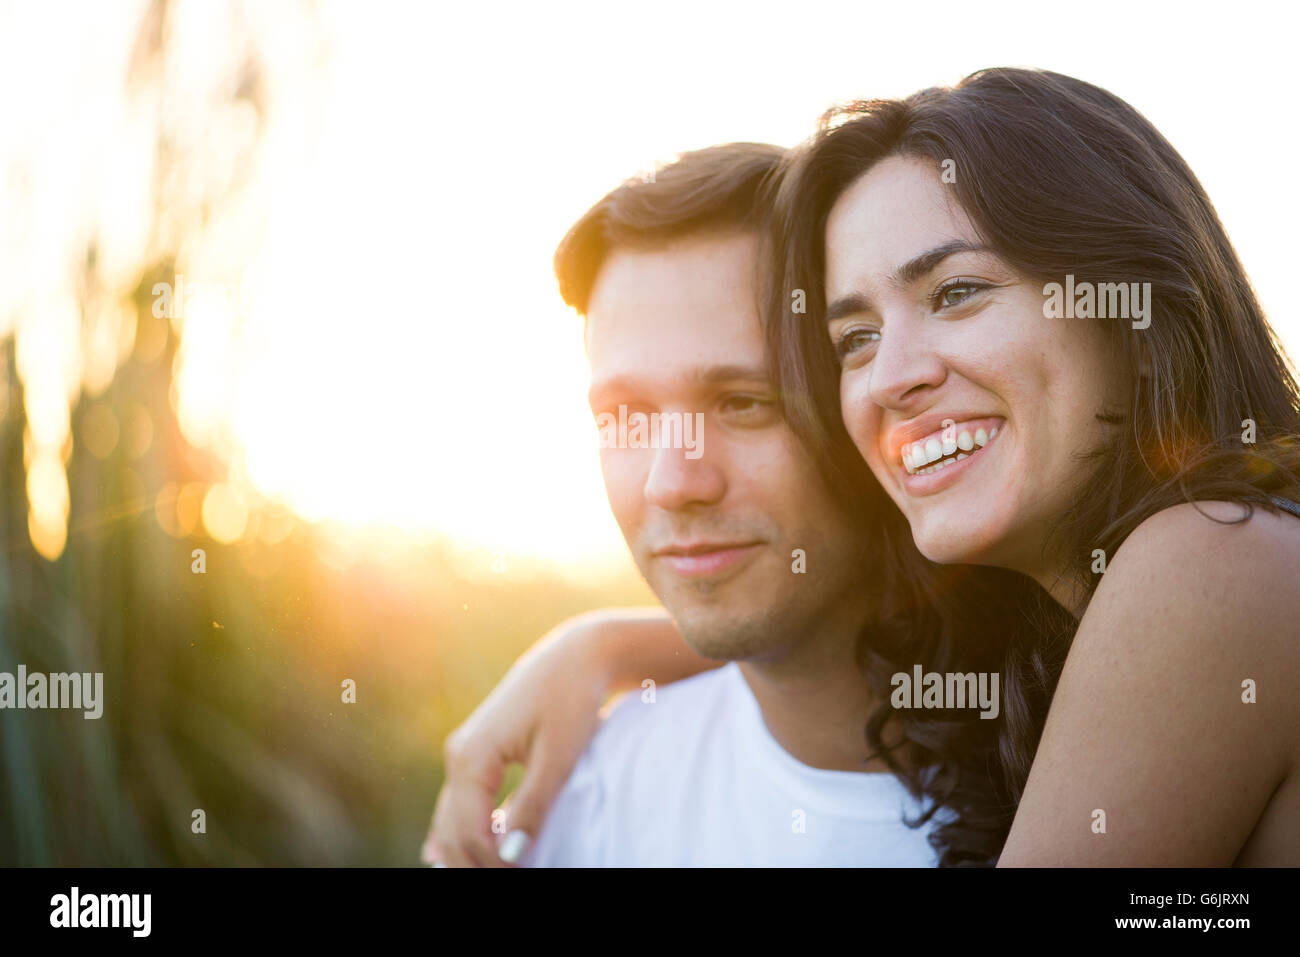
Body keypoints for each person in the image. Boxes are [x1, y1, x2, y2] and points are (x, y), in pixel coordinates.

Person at [431, 68, 1300, 866]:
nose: (892, 377)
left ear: (1138, 319)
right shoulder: (1058, 660)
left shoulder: (1208, 554)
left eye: (957, 292)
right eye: (855, 339)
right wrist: (606, 644)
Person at [426, 141, 1014, 868]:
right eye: (627, 418)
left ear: (869, 393)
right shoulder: (593, 794)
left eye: (743, 402)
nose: (672, 483)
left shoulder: (1103, 768)